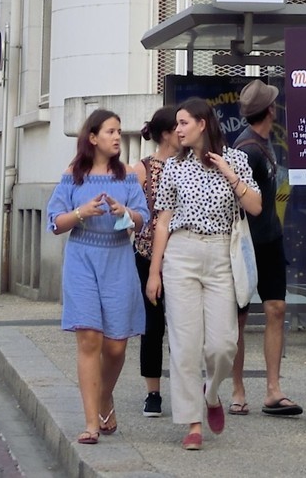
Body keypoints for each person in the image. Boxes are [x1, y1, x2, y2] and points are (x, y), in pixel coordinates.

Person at [145, 97, 261, 451]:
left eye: (183, 123)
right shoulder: (173, 167)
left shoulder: (236, 158)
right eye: (176, 124)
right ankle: (192, 421)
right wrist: (154, 272)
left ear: (202, 124)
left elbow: (255, 206)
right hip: (180, 253)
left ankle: (211, 394)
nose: (176, 130)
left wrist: (228, 171)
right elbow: (162, 220)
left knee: (224, 344)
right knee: (184, 343)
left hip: (221, 252)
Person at [47, 108, 151, 445]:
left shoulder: (128, 178)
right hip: (82, 260)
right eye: (110, 131)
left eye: (119, 131)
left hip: (118, 259)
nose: (117, 137)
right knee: (90, 339)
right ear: (93, 137)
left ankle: (105, 396)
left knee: (117, 346)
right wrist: (80, 213)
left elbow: (143, 220)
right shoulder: (72, 176)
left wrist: (126, 213)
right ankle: (92, 423)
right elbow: (55, 222)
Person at [227, 81, 302, 417]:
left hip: (270, 240)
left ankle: (273, 389)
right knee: (238, 318)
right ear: (270, 109)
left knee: (276, 309)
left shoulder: (262, 142)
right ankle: (237, 388)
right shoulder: (247, 148)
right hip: (247, 243)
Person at [128, 107, 177, 418]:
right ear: (165, 133)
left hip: (184, 255)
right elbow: (134, 214)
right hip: (147, 255)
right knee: (153, 325)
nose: (183, 132)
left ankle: (189, 388)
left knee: (185, 326)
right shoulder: (143, 168)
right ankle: (153, 392)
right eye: (177, 127)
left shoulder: (191, 165)